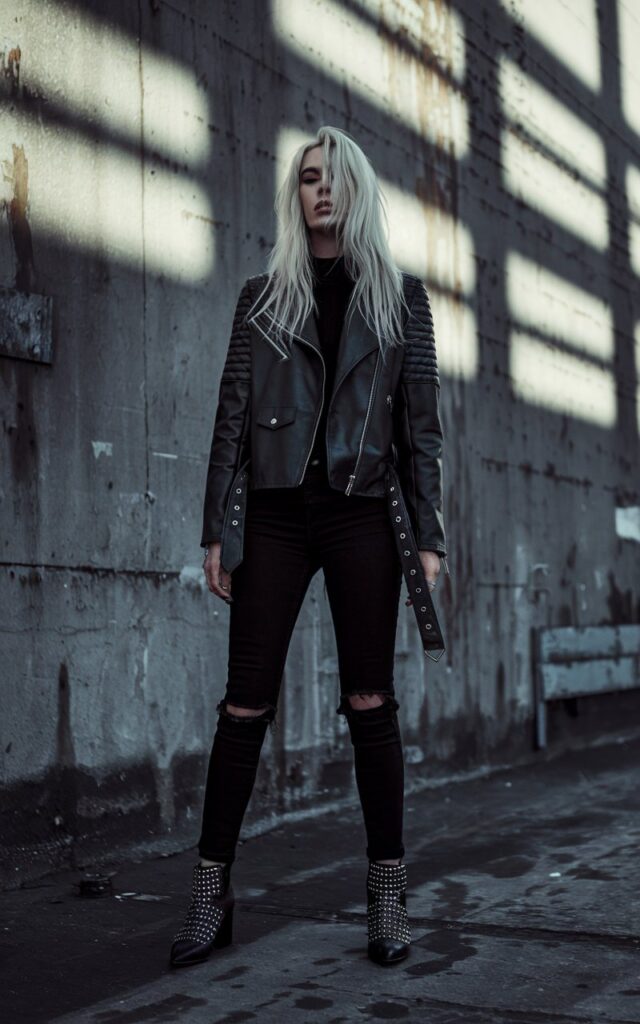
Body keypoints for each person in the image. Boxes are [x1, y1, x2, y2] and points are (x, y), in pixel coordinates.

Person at [170, 125, 448, 969]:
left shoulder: (401, 301)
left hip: (364, 513)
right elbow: (230, 420)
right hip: (277, 515)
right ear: (295, 196)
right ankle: (211, 898)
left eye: (332, 177)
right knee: (243, 705)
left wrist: (429, 537)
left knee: (369, 701)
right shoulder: (263, 299)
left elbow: (422, 431)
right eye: (306, 178)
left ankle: (387, 898)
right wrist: (217, 529)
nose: (319, 189)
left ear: (355, 190)